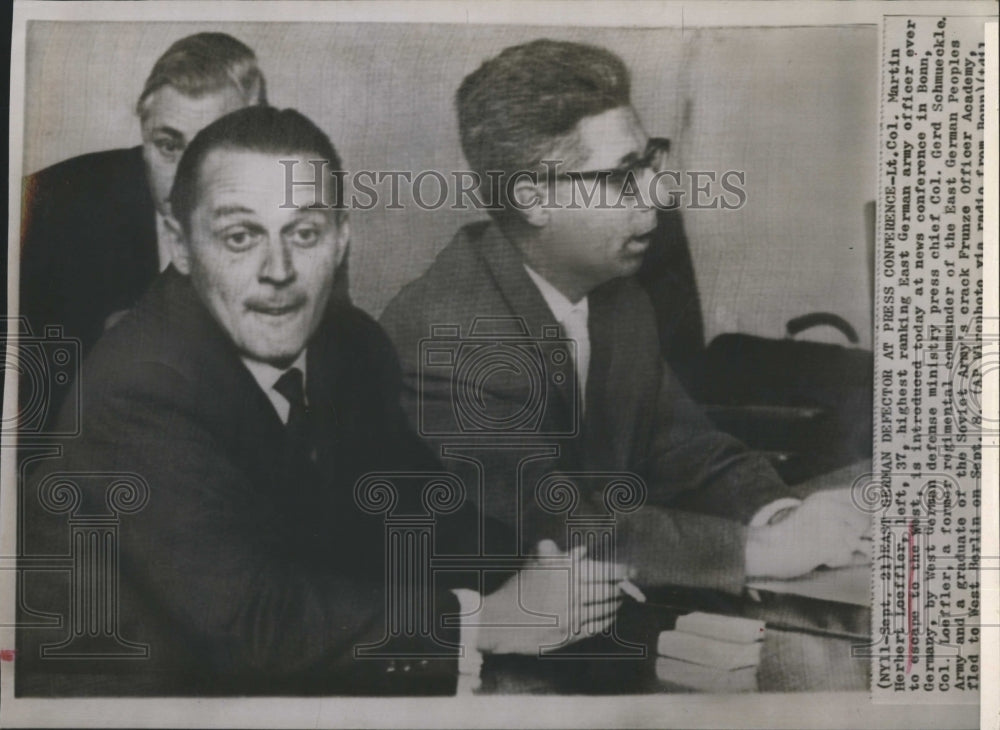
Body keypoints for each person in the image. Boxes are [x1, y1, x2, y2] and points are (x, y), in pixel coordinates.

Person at [16, 106, 625, 697]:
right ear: (181, 244)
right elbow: (253, 623)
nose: (278, 270)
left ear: (340, 239)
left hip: (274, 687)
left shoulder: (350, 345)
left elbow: (419, 511)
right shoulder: (138, 388)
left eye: (304, 233)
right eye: (240, 236)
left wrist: (547, 573)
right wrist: (486, 620)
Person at [379, 39, 871, 594]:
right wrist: (762, 550)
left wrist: (784, 516)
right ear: (533, 199)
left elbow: (684, 448)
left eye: (648, 160)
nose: (656, 192)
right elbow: (552, 525)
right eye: (622, 176)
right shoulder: (443, 335)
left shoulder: (616, 295)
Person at [19, 32, 351, 368]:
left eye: (212, 147)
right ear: (144, 135)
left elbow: (326, 363)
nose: (184, 177)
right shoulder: (51, 207)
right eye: (168, 145)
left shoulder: (300, 212)